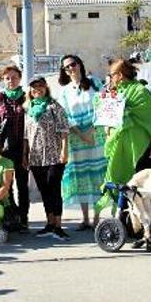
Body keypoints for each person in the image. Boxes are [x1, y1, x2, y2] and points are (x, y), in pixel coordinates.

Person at [95, 59, 151, 233]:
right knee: (124, 187)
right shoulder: (113, 93)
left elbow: (150, 120)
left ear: (120, 75)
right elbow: (106, 117)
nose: (110, 78)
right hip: (120, 150)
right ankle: (133, 227)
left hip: (142, 149)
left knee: (146, 190)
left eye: (112, 75)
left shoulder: (140, 92)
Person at [57, 55, 106, 231]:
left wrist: (91, 131)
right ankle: (85, 218)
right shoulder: (64, 91)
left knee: (97, 175)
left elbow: (104, 106)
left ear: (80, 65)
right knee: (81, 175)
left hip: (96, 133)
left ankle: (97, 217)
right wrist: (80, 133)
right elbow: (65, 116)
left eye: (73, 64)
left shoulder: (94, 82)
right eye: (66, 67)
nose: (71, 68)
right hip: (76, 138)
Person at [23, 76, 70, 240]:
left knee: (54, 188)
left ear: (46, 87)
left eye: (40, 86)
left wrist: (65, 151)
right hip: (35, 157)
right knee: (44, 190)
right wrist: (25, 155)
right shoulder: (28, 108)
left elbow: (64, 130)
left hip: (54, 155)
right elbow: (26, 136)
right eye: (34, 87)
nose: (37, 89)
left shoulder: (53, 106)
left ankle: (58, 225)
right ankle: (49, 223)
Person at [0, 65, 29, 231]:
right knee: (7, 184)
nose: (11, 81)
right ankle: (12, 216)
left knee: (22, 184)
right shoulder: (0, 98)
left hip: (23, 147)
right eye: (7, 78)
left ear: (20, 78)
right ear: (3, 80)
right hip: (6, 148)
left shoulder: (27, 97)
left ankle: (23, 218)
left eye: (14, 77)